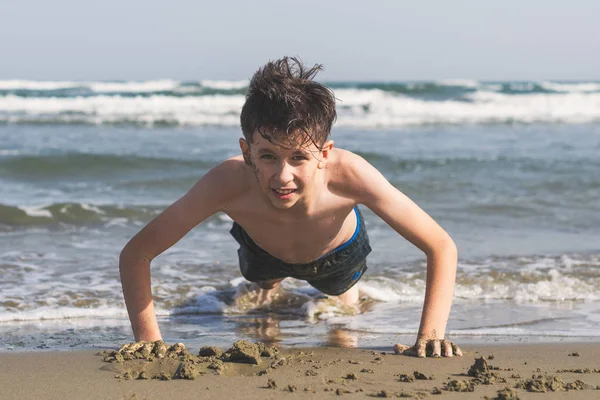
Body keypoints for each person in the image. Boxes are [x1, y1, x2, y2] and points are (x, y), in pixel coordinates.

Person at [119, 57, 462, 358]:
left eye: (299, 157)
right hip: (261, 249)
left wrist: (431, 337)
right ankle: (271, 290)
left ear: (324, 154)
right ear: (247, 150)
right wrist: (149, 339)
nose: (283, 176)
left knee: (343, 308)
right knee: (262, 293)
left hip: (337, 253)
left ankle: (341, 295)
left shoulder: (352, 175)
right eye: (268, 156)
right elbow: (137, 253)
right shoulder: (226, 182)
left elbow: (440, 245)